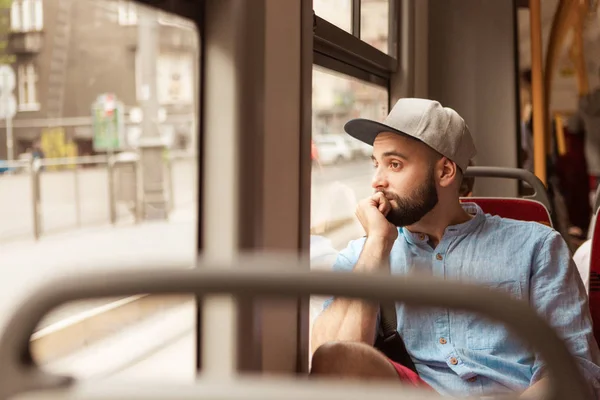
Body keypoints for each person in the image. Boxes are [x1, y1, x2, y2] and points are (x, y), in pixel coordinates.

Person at [310, 98, 600, 398]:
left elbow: (573, 368)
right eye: (376, 164)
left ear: (445, 172)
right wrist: (378, 245)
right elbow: (331, 364)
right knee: (338, 357)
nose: (377, 181)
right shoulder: (365, 253)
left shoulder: (536, 246)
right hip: (416, 392)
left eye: (394, 164)